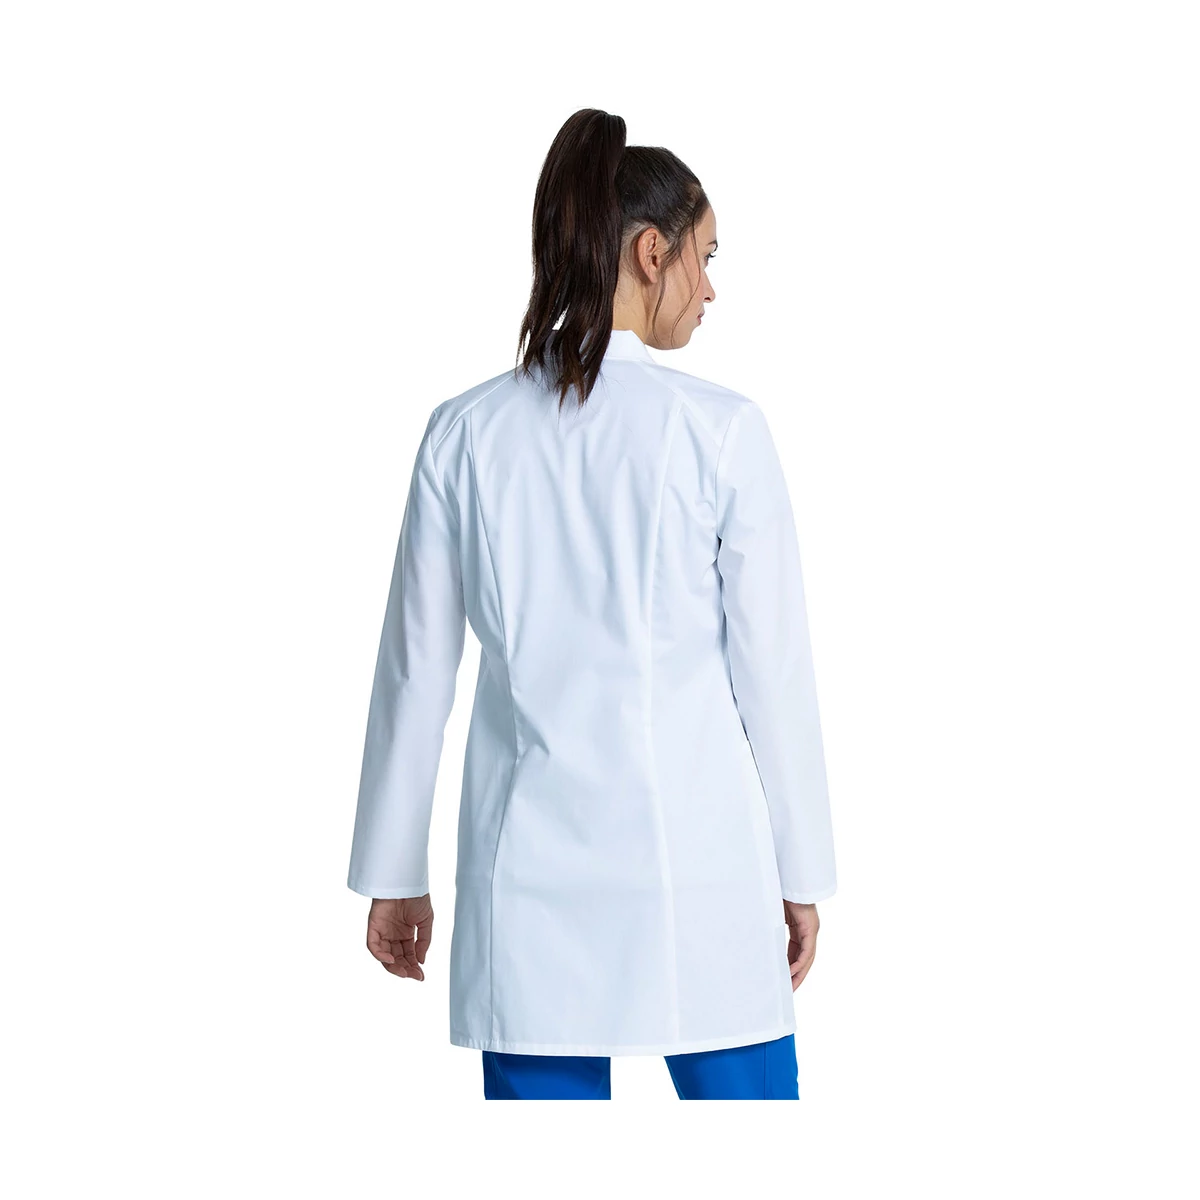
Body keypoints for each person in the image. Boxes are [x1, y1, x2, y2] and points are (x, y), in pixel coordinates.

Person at [346, 108, 837, 1101]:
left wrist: (395, 873)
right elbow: (774, 677)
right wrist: (802, 873)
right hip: (699, 882)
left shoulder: (464, 434)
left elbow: (415, 672)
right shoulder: (721, 433)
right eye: (705, 256)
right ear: (652, 252)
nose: (710, 287)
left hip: (527, 892)